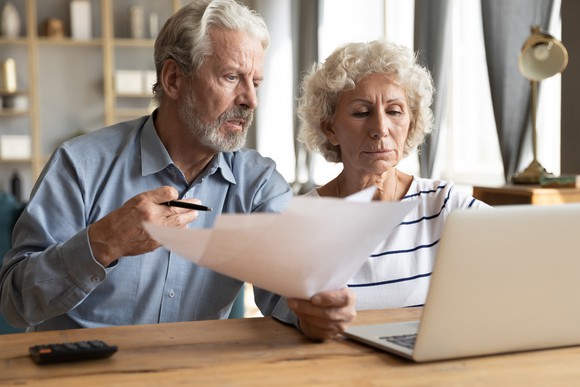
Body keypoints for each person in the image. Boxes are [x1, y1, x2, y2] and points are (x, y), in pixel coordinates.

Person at [0, 0, 354, 341]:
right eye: (232, 77)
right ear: (172, 79)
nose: (250, 99)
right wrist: (103, 242)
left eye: (255, 82)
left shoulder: (258, 184)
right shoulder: (79, 165)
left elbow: (288, 292)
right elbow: (16, 303)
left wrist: (316, 310)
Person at [297, 39, 490, 310]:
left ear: (411, 122)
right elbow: (292, 318)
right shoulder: (302, 218)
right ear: (330, 128)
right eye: (361, 112)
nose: (380, 128)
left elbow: (524, 247)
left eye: (394, 111)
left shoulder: (443, 205)